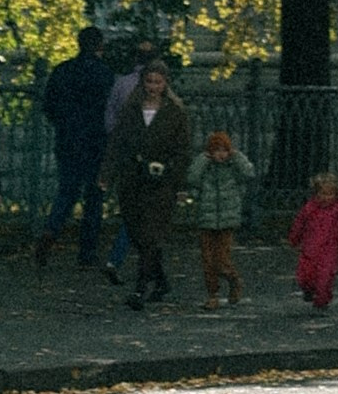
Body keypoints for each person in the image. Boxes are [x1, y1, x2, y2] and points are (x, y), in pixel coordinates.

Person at [104, 58, 192, 309]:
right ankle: (161, 281)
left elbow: (182, 151)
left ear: (165, 84)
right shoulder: (131, 110)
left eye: (158, 82)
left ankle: (140, 288)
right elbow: (117, 143)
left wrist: (179, 184)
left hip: (161, 181)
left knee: (151, 234)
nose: (153, 87)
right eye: (149, 81)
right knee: (138, 233)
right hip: (133, 179)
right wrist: (107, 174)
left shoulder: (175, 113)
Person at [35, 27, 113, 267]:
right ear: (99, 46)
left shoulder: (62, 70)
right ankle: (87, 253)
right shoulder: (105, 74)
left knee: (67, 191)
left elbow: (49, 106)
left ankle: (51, 229)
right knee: (94, 197)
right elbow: (110, 110)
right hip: (96, 142)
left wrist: (64, 124)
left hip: (68, 140)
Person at [101, 43, 160, 280]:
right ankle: (144, 267)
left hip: (127, 157)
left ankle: (119, 260)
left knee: (135, 211)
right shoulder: (162, 92)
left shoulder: (121, 84)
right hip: (153, 161)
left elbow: (110, 122)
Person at [184, 128, 255, 308]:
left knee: (221, 259)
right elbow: (191, 178)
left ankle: (233, 279)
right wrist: (202, 160)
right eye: (217, 150)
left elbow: (248, 172)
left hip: (227, 218)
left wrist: (236, 156)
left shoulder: (232, 168)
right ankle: (212, 294)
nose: (221, 155)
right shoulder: (205, 168)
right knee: (208, 260)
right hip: (207, 218)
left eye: (224, 150)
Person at [289, 169, 338, 312]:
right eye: (323, 194)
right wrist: (294, 239)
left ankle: (321, 301)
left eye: (330, 194)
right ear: (316, 194)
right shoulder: (309, 209)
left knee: (324, 278)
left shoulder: (336, 210)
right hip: (309, 249)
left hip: (329, 251)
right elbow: (299, 224)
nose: (326, 198)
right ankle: (308, 290)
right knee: (305, 275)